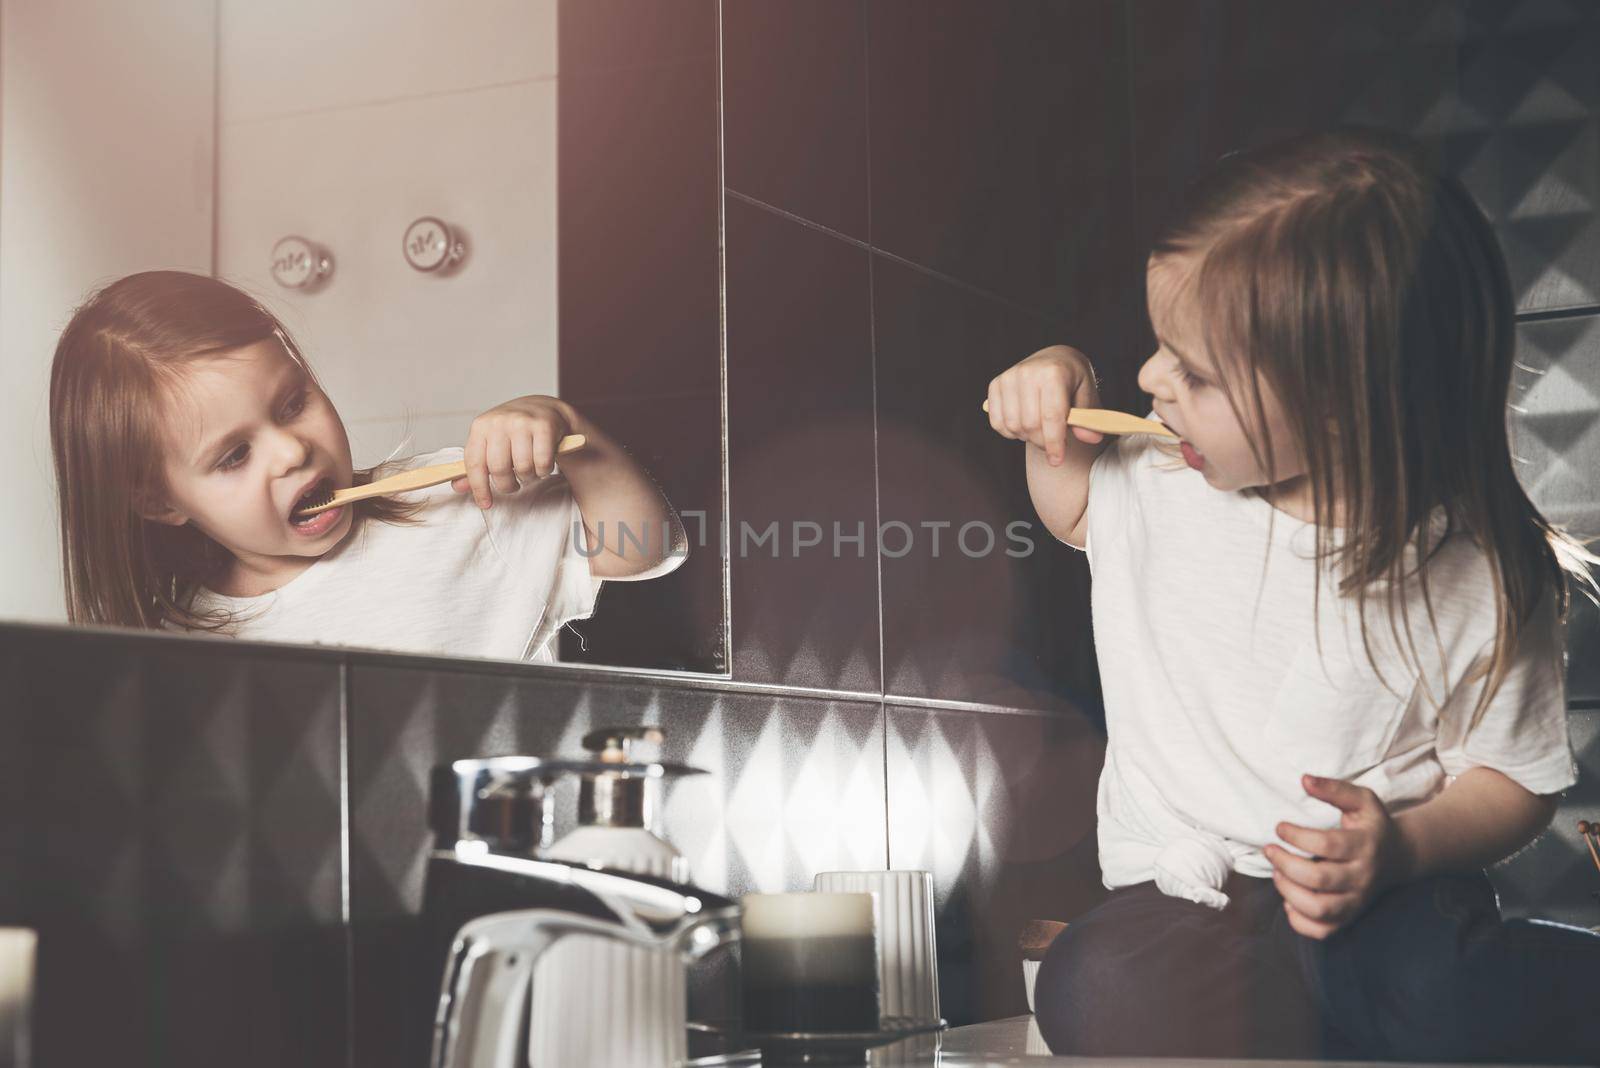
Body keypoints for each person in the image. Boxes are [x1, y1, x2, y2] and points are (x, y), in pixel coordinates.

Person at [987, 126, 1600, 1062]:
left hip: (1383, 904)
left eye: (1193, 370)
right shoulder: (1158, 476)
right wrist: (1050, 401)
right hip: (1187, 900)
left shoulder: (1476, 570)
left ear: (1343, 403)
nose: (1152, 380)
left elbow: (1513, 780)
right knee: (1091, 984)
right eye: (1160, 348)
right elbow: (1071, 505)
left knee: (1437, 989)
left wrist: (1399, 849)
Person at [49, 270, 684, 661]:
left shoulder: (463, 502)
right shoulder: (182, 647)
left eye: (293, 402)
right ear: (161, 502)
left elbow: (652, 548)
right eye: (235, 455)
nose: (292, 450)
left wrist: (574, 433)